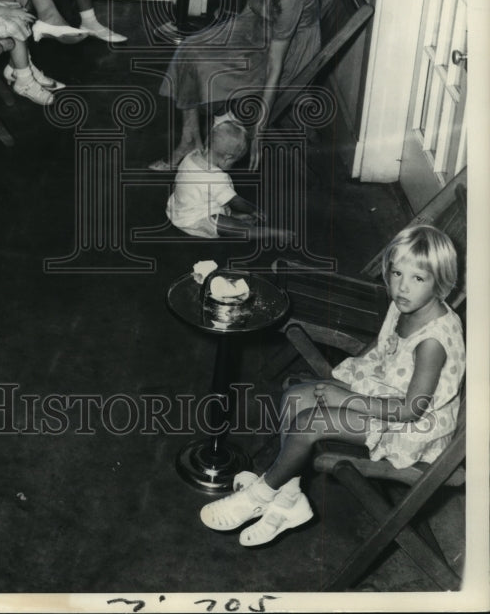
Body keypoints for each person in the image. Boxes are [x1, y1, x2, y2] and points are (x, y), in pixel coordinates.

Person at [198, 225, 465, 547]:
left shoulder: (432, 343)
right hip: (385, 391)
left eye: (418, 278)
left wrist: (346, 398)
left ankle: (261, 494)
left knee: (311, 423)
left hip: (411, 426)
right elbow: (384, 348)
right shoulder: (405, 303)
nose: (402, 287)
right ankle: (290, 499)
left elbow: (412, 410)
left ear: (442, 283)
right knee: (296, 397)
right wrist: (347, 382)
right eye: (396, 273)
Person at [151, 0, 320, 172]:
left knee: (207, 66)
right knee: (189, 48)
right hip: (258, 24)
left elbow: (275, 66)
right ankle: (189, 139)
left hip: (290, 47)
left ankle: (214, 124)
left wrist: (259, 133)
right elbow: (253, 2)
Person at [167, 115, 274, 238]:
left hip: (179, 209)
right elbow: (235, 201)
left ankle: (232, 215)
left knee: (213, 197)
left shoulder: (191, 156)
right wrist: (253, 209)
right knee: (227, 225)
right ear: (227, 158)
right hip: (194, 221)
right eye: (234, 162)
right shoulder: (217, 178)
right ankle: (270, 233)